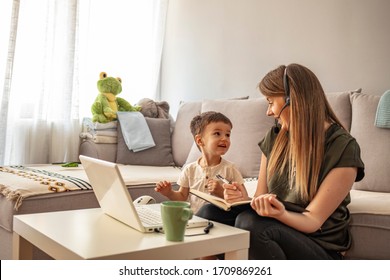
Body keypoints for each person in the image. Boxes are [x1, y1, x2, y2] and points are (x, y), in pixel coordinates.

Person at [197, 64, 365, 259]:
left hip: (318, 244)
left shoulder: (343, 147)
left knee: (251, 225)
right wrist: (244, 199)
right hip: (279, 227)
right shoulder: (275, 137)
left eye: (270, 102)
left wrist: (279, 214)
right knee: (208, 215)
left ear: (291, 99)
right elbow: (261, 198)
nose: (269, 111)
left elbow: (312, 220)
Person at [155, 111, 246, 213]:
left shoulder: (230, 168)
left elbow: (243, 199)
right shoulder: (190, 169)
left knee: (208, 211)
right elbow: (182, 197)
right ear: (199, 140)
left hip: (219, 220)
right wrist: (169, 193)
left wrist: (221, 192)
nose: (224, 138)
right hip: (193, 219)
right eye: (217, 133)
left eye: (228, 135)